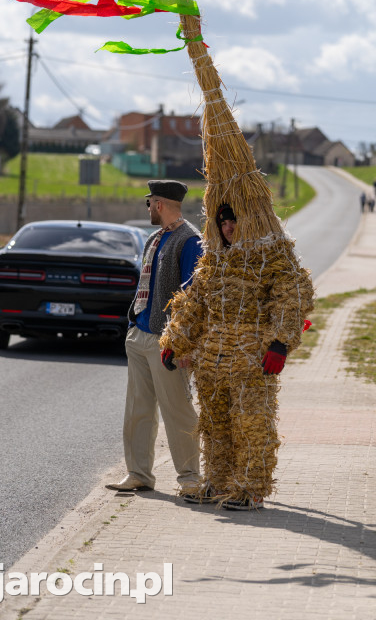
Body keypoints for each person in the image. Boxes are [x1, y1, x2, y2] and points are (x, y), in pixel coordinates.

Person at [160, 202, 314, 510]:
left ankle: (250, 488)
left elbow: (292, 298)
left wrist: (280, 344)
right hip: (211, 359)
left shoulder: (272, 258)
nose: (228, 228)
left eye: (234, 221)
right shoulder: (213, 261)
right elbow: (195, 304)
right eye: (223, 223)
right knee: (215, 425)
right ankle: (218, 483)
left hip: (251, 359)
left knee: (251, 425)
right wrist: (175, 341)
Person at [107, 180, 203, 493]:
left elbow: (192, 297)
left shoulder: (190, 240)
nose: (148, 208)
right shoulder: (154, 237)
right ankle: (139, 474)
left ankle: (190, 478)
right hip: (139, 335)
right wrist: (133, 326)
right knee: (138, 411)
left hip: (168, 342)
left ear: (159, 204)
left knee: (178, 412)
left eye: (149, 203)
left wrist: (182, 343)